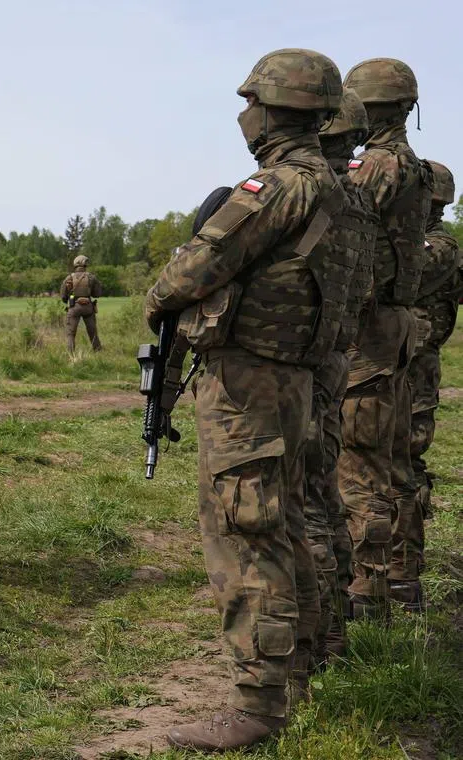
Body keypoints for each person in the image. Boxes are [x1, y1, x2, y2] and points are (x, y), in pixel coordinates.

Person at [144, 49, 344, 750]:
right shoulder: (336, 186)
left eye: (250, 100)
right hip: (300, 378)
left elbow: (194, 269)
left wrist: (161, 290)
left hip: (250, 386)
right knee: (284, 521)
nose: (243, 113)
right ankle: (301, 671)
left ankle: (258, 704)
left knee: (244, 531)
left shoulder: (278, 185)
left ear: (274, 107)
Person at [339, 58, 432, 617]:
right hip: (394, 330)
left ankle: (366, 591)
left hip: (370, 333)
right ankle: (401, 576)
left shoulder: (376, 167)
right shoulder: (413, 166)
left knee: (359, 467)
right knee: (394, 463)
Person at [303, 89, 377, 667]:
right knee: (324, 493)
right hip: (334, 360)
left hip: (297, 367)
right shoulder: (357, 201)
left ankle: (319, 634)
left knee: (302, 502)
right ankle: (336, 619)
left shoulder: (310, 195)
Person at [408, 161, 460, 584]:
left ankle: (404, 566)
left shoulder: (437, 247)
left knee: (406, 462)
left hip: (417, 367)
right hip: (404, 362)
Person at [60, 255, 103, 354]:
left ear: (75, 264)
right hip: (88, 307)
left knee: (71, 334)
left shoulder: (69, 278)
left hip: (74, 306)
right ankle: (98, 353)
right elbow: (98, 294)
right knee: (93, 332)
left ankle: (71, 355)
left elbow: (63, 297)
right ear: (85, 264)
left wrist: (69, 299)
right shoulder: (91, 277)